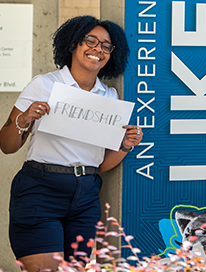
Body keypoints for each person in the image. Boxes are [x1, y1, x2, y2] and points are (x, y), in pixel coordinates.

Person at [0, 16, 142, 271]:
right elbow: (7, 145)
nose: (98, 49)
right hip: (40, 191)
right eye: (91, 41)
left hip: (86, 197)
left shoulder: (109, 97)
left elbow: (98, 165)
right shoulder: (44, 85)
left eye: (106, 46)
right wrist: (25, 117)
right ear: (74, 44)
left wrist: (124, 146)